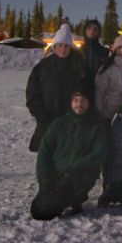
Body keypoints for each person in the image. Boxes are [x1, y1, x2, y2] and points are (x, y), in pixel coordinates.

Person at [30, 90, 107, 220]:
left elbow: (100, 152)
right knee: (40, 210)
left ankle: (76, 199)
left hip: (80, 175)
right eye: (76, 101)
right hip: (56, 175)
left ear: (89, 104)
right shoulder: (59, 124)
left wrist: (77, 167)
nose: (79, 104)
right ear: (71, 103)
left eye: (83, 101)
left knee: (51, 208)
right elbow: (44, 153)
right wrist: (44, 184)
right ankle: (58, 198)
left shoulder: (96, 126)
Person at [26, 23, 92, 152]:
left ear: (70, 47)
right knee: (47, 159)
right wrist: (40, 114)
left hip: (71, 123)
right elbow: (32, 92)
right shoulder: (42, 67)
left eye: (66, 46)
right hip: (46, 122)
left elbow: (87, 91)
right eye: (60, 45)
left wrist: (80, 113)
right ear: (54, 46)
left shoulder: (79, 67)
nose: (63, 49)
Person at [81, 19, 110, 88]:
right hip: (82, 88)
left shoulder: (104, 51)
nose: (92, 31)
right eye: (89, 28)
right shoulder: (79, 51)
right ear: (85, 31)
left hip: (100, 88)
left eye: (95, 29)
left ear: (98, 32)